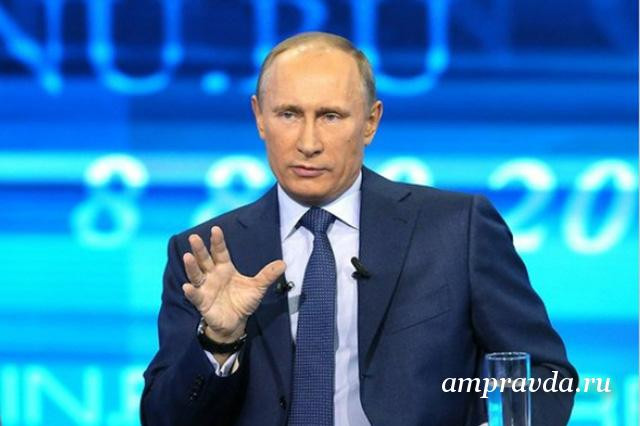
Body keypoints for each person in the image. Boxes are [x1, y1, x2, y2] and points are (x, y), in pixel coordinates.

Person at [140, 32, 577, 426]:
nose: (308, 143)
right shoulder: (206, 255)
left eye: (331, 116)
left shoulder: (456, 230)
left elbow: (546, 373)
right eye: (289, 114)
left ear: (370, 121)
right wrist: (218, 341)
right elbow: (163, 418)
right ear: (258, 117)